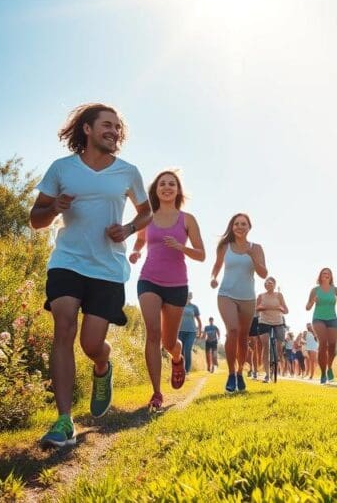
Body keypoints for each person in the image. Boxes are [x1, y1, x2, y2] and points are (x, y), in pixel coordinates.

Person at [31, 103, 151, 449]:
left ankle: (102, 364)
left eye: (118, 128)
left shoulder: (128, 172)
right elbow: (35, 219)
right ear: (87, 129)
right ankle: (64, 420)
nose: (114, 131)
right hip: (67, 261)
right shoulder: (61, 169)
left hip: (108, 268)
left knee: (91, 344)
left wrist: (128, 228)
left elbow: (146, 213)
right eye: (107, 125)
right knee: (64, 325)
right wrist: (54, 207)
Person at [130, 170, 206, 411]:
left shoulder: (187, 219)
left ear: (178, 190)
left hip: (176, 285)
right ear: (156, 189)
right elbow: (141, 239)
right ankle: (156, 393)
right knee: (152, 333)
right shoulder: (147, 216)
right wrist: (136, 251)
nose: (167, 187)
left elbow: (202, 255)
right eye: (162, 184)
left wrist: (180, 247)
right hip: (149, 280)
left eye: (172, 184)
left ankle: (177, 356)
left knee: (168, 341)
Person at [211, 213, 268, 393]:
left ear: (249, 227)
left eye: (243, 224)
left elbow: (263, 273)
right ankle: (230, 374)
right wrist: (213, 278)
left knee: (243, 338)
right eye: (236, 224)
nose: (240, 227)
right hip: (226, 294)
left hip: (248, 298)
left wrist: (253, 256)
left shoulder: (256, 248)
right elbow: (216, 266)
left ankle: (239, 373)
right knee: (232, 331)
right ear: (232, 226)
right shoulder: (224, 246)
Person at [306, 268, 337, 384]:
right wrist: (313, 301)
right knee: (323, 343)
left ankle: (329, 368)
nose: (326, 275)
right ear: (320, 276)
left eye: (328, 273)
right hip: (318, 319)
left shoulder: (336, 290)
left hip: (332, 319)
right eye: (324, 273)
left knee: (332, 346)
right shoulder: (315, 290)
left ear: (331, 276)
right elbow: (307, 307)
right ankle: (323, 373)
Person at [256, 276, 288, 382]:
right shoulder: (261, 296)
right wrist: (265, 308)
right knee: (265, 345)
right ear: (265, 285)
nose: (269, 285)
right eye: (267, 283)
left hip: (278, 322)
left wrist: (280, 308)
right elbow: (256, 309)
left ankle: (277, 356)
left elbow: (286, 310)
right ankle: (267, 374)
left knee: (279, 345)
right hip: (264, 322)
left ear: (274, 285)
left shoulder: (279, 295)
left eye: (271, 283)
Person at [178, 292, 202, 373]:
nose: (187, 298)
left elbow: (199, 321)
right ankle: (181, 369)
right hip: (180, 331)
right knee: (180, 351)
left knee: (187, 349)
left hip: (191, 332)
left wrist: (199, 332)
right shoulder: (180, 305)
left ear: (191, 297)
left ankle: (187, 370)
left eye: (189, 296)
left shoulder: (194, 307)